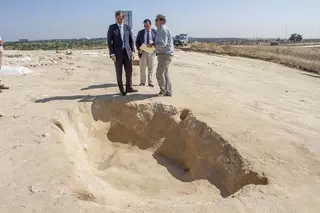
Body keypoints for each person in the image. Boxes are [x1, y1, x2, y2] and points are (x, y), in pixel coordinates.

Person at [107, 11, 137, 96]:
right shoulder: (112, 27)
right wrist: (112, 54)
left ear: (123, 17)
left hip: (127, 53)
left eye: (120, 17)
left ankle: (129, 87)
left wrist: (132, 51)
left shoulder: (127, 27)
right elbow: (109, 42)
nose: (119, 19)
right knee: (119, 72)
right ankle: (122, 89)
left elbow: (131, 40)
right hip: (117, 55)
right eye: (117, 18)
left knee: (129, 71)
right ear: (115, 18)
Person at [154, 14, 174, 97]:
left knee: (159, 74)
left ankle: (163, 91)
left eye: (157, 19)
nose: (155, 21)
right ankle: (168, 91)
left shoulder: (162, 29)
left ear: (162, 21)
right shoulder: (160, 29)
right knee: (165, 74)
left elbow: (163, 44)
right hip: (164, 54)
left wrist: (153, 45)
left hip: (164, 55)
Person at [135, 19, 157, 87]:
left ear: (150, 25)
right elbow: (137, 42)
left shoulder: (155, 32)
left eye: (147, 25)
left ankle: (150, 82)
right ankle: (142, 82)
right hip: (143, 52)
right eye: (145, 26)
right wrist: (139, 49)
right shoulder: (140, 32)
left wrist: (153, 44)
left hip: (151, 52)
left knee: (151, 68)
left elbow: (157, 41)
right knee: (142, 68)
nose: (146, 27)